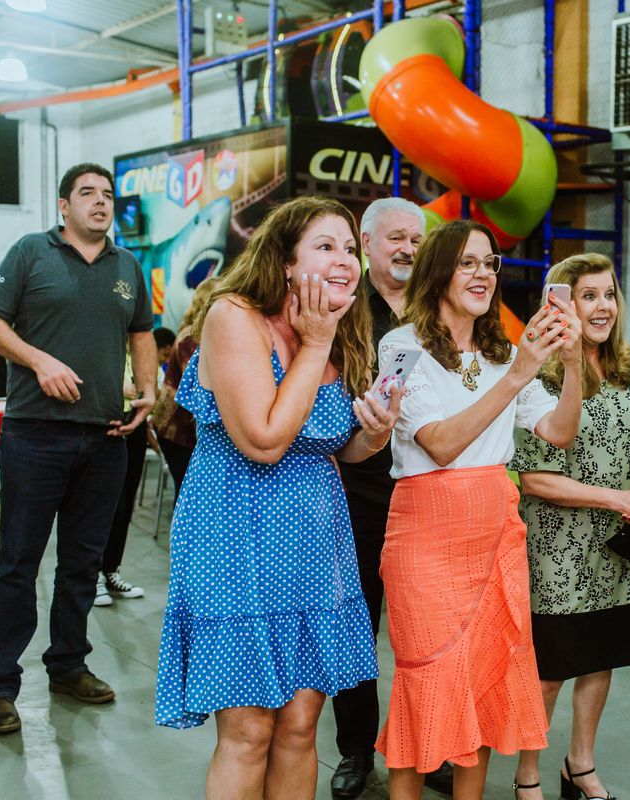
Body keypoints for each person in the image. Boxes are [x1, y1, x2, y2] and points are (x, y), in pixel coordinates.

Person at [154, 196, 396, 800]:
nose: (345, 260)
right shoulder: (234, 316)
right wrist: (314, 345)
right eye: (325, 246)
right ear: (285, 262)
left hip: (314, 549)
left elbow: (332, 447)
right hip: (235, 543)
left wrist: (373, 435)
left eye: (350, 248)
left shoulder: (340, 328)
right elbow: (264, 440)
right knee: (249, 731)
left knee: (299, 726)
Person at [375, 219, 583, 800]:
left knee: (485, 679)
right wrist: (518, 375)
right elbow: (440, 444)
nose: (483, 274)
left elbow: (559, 431)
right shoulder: (400, 347)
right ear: (438, 270)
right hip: (425, 534)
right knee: (425, 681)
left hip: (494, 531)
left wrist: (571, 366)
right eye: (467, 262)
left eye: (490, 263)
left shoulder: (503, 353)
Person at [0, 163, 157, 736]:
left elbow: (142, 332)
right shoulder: (31, 252)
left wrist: (148, 390)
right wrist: (39, 360)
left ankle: (68, 665)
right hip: (35, 433)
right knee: (18, 564)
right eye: (87, 193)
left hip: (106, 435)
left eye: (107, 194)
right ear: (64, 205)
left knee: (83, 563)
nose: (101, 202)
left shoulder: (127, 266)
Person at [510, 254, 630, 800]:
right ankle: (527, 774)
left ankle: (579, 765)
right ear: (562, 304)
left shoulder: (627, 364)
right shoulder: (539, 372)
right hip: (557, 549)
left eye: (609, 294)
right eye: (589, 296)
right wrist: (623, 498)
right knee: (551, 669)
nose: (603, 307)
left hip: (617, 544)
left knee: (601, 660)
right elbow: (536, 479)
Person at [329, 197, 457, 797]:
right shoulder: (344, 310)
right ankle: (356, 749)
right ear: (366, 243)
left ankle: (428, 746)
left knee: (426, 630)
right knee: (357, 626)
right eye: (396, 237)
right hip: (356, 491)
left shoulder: (439, 310)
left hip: (428, 490)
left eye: (416, 238)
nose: (408, 248)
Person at [93, 326, 177, 608]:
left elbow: (157, 385)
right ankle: (93, 575)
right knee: (106, 503)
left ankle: (111, 570)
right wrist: (117, 387)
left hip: (136, 424)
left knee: (127, 500)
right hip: (108, 421)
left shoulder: (143, 347)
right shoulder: (105, 340)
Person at [150, 277, 219, 499]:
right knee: (188, 495)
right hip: (175, 430)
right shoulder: (191, 336)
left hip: (188, 430)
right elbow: (202, 389)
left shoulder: (207, 333)